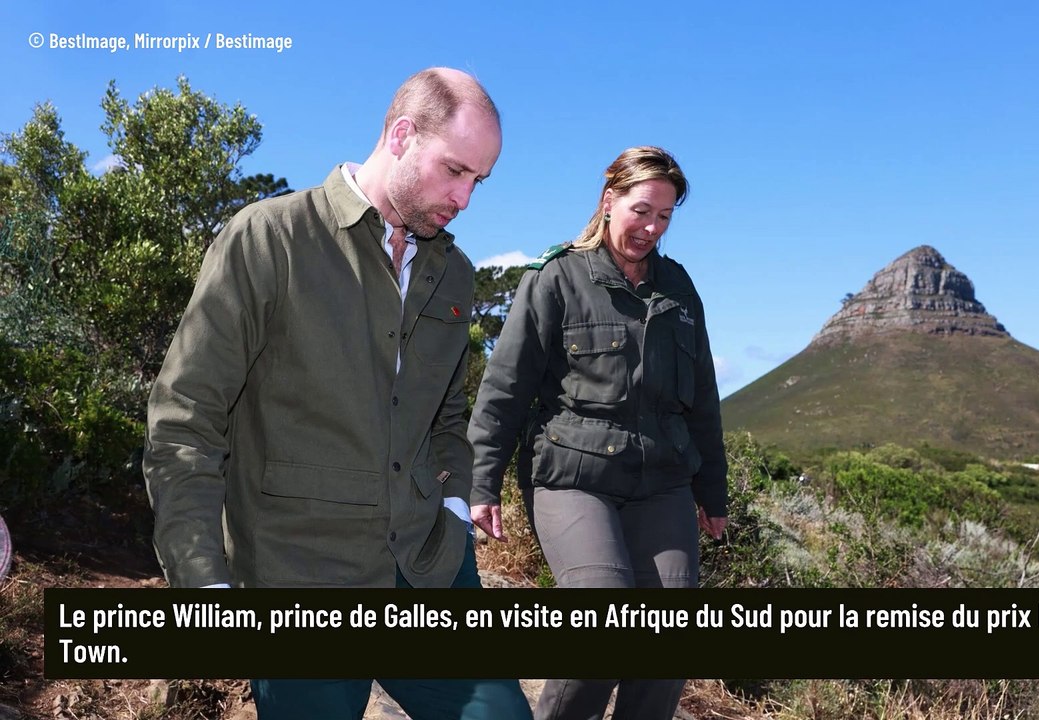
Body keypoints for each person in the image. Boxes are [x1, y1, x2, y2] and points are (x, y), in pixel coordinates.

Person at [144, 67, 530, 720]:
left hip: (430, 565)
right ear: (403, 136)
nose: (464, 199)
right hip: (300, 575)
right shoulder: (268, 239)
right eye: (455, 171)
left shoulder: (455, 274)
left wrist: (458, 509)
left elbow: (447, 418)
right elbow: (185, 421)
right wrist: (202, 579)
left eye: (478, 181)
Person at [468, 146, 728, 720]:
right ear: (609, 201)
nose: (651, 227)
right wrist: (482, 482)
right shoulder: (557, 276)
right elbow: (505, 386)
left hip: (661, 482)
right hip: (572, 475)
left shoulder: (680, 291)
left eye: (664, 216)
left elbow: (703, 401)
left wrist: (713, 494)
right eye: (641, 210)